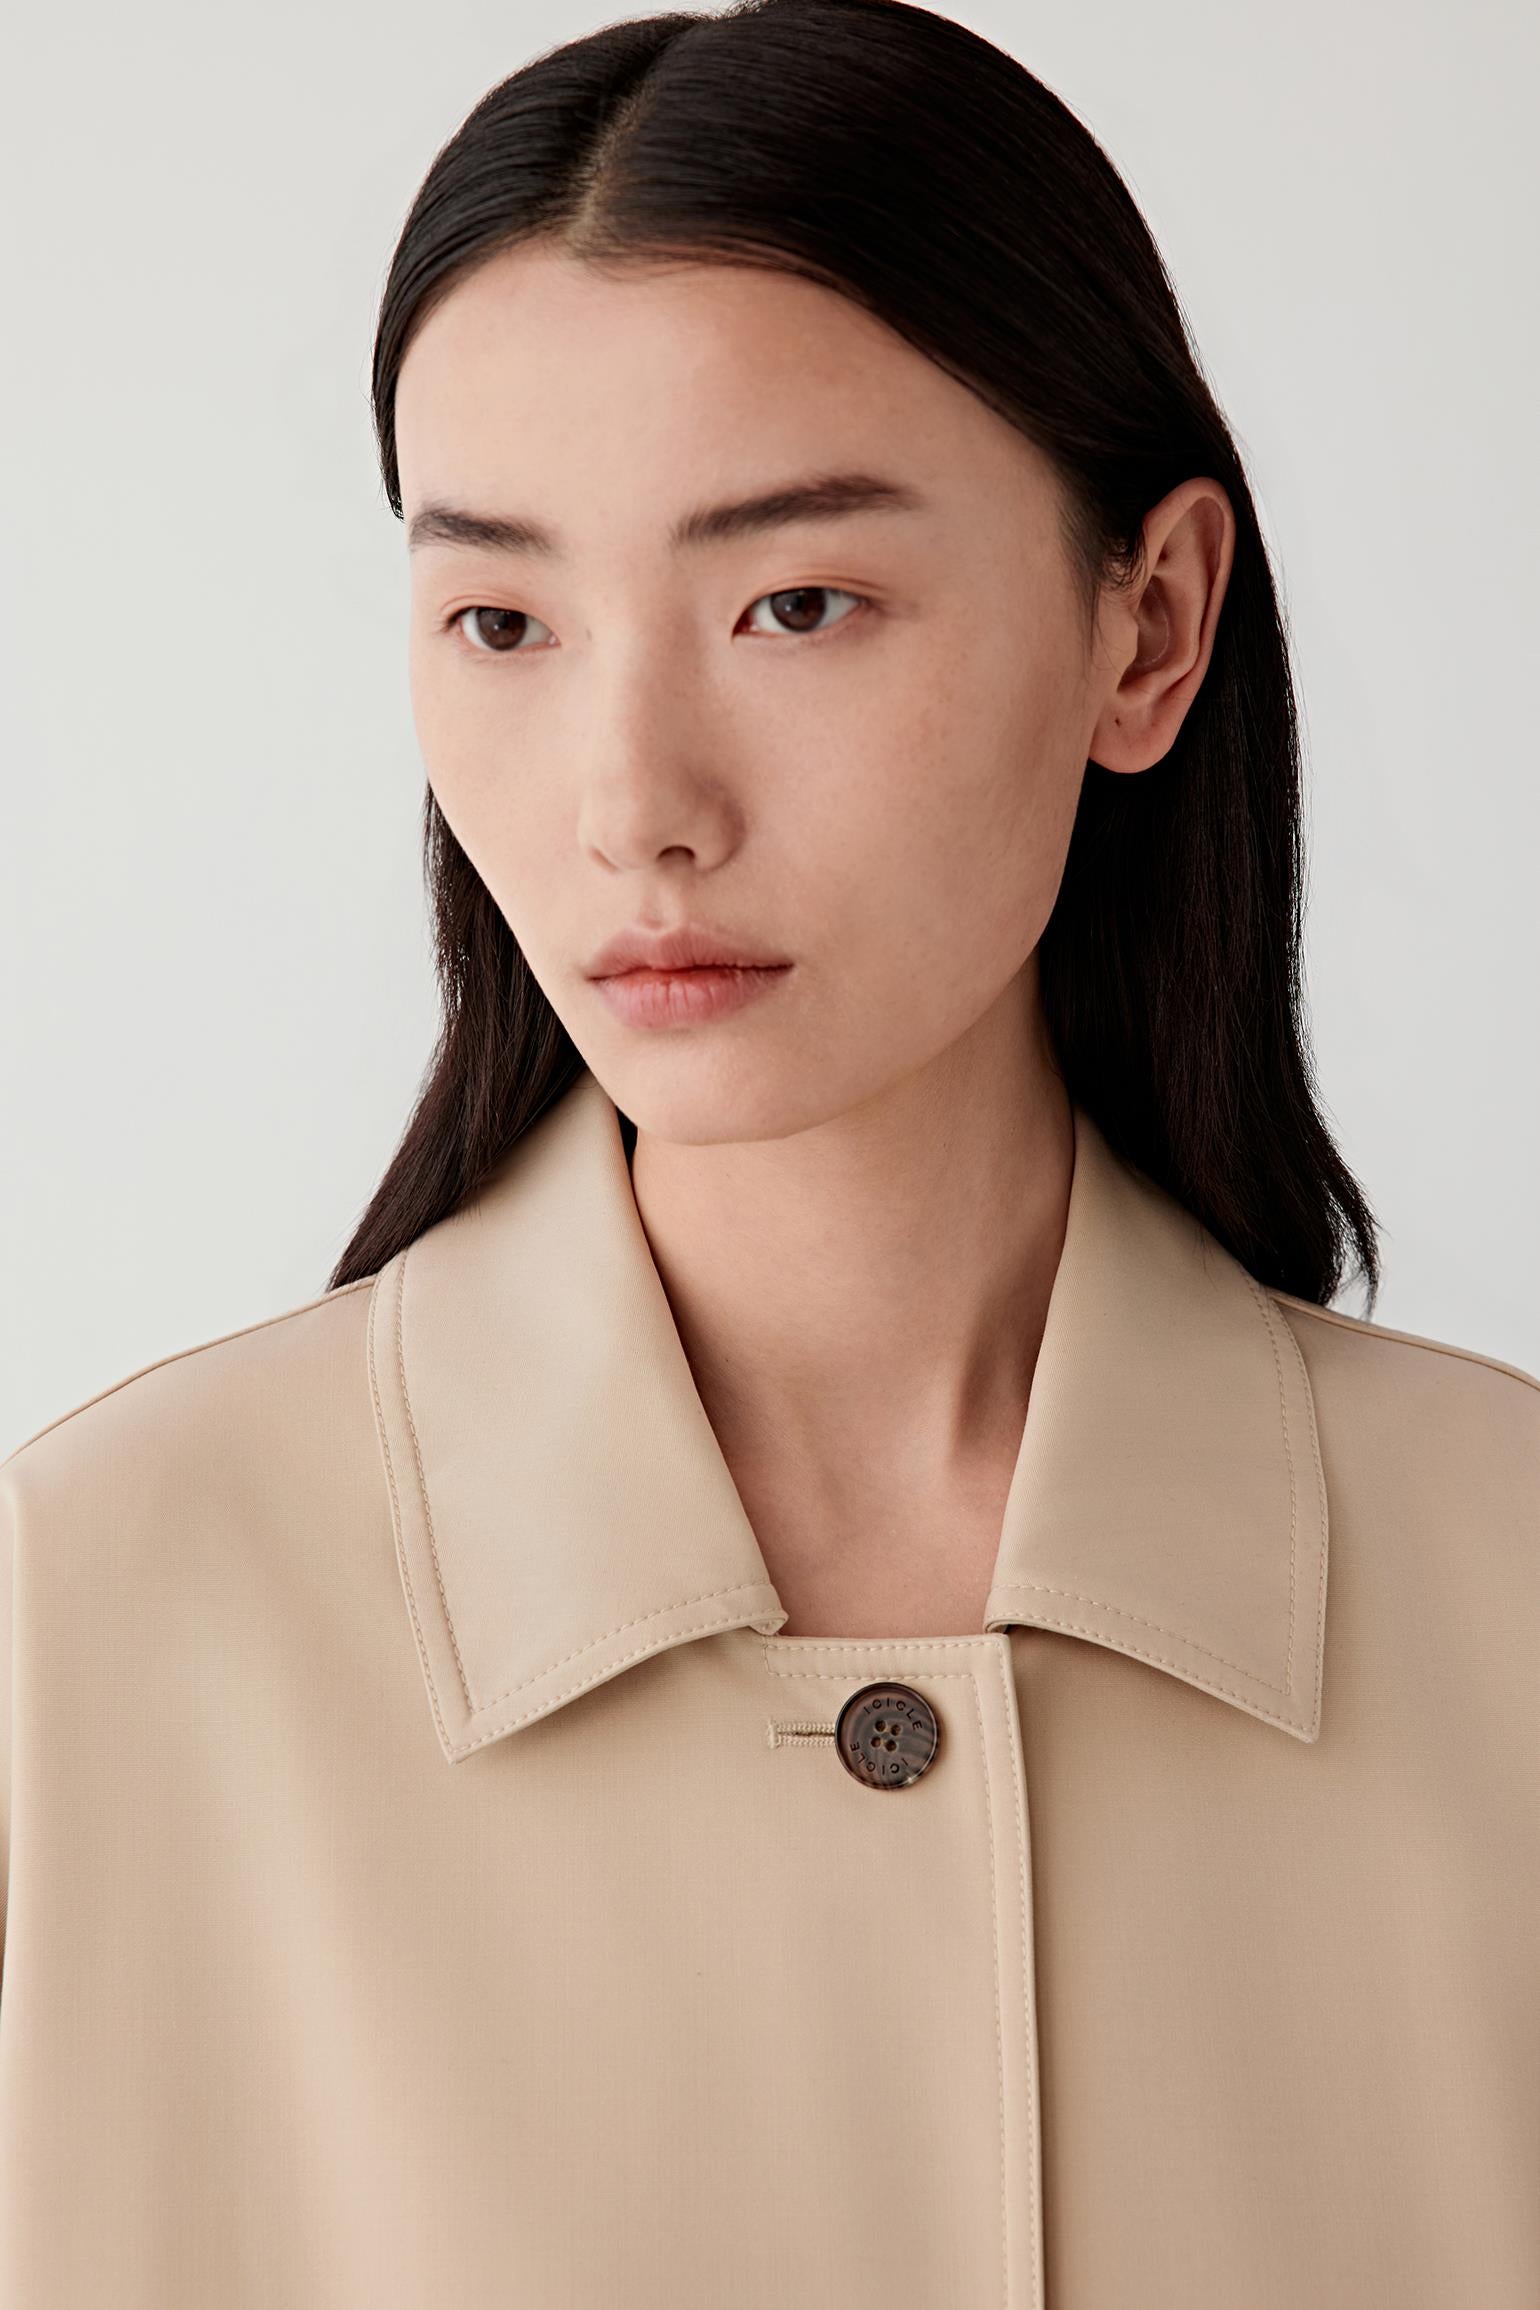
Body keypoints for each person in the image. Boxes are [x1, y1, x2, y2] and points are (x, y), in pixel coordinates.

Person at [2, 1, 1535, 2302]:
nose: (631, 801)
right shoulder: (88, 1633)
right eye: (499, 617)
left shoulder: (1501, 1601)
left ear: (1149, 623)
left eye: (794, 602)